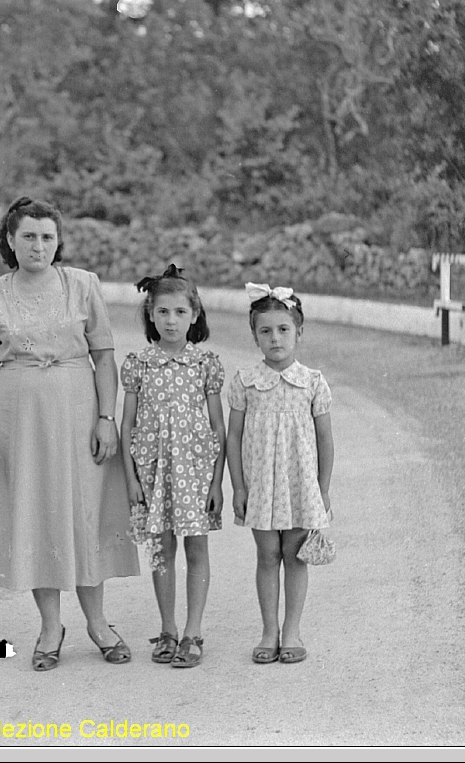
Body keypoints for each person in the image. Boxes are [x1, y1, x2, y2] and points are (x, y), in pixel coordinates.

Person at [0, 196, 140, 672]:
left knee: (84, 513)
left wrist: (107, 417)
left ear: (58, 241)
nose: (38, 245)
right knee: (36, 514)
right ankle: (49, 627)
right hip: (17, 419)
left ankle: (99, 624)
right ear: (9, 240)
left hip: (78, 411)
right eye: (28, 236)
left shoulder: (83, 285)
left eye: (47, 236)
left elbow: (104, 355)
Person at [120, 264, 226, 669]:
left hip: (195, 474)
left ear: (194, 315)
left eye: (180, 312)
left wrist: (217, 482)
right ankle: (167, 628)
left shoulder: (205, 365)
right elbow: (128, 424)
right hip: (152, 471)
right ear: (150, 313)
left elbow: (218, 426)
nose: (171, 320)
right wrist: (131, 478)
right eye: (162, 312)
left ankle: (192, 631)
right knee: (161, 550)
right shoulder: (139, 364)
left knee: (196, 548)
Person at [226, 283, 335, 665]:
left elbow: (325, 440)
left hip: (300, 485)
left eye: (284, 329)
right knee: (267, 554)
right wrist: (238, 486)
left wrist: (322, 490)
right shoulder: (245, 381)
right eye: (266, 331)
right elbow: (234, 436)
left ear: (299, 332)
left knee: (295, 554)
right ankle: (268, 630)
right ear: (255, 335)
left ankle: (292, 631)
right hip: (261, 486)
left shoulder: (313, 382)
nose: (275, 338)